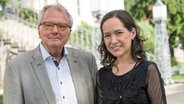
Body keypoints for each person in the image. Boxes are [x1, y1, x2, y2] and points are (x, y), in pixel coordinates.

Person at [3, 4, 98, 104]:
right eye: (48, 25)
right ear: (39, 31)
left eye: (62, 26)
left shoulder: (87, 61)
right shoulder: (17, 67)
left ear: (69, 32)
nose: (55, 31)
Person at [96, 10, 167, 104]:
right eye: (107, 35)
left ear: (132, 33)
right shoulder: (101, 75)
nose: (113, 41)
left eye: (119, 33)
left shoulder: (148, 70)